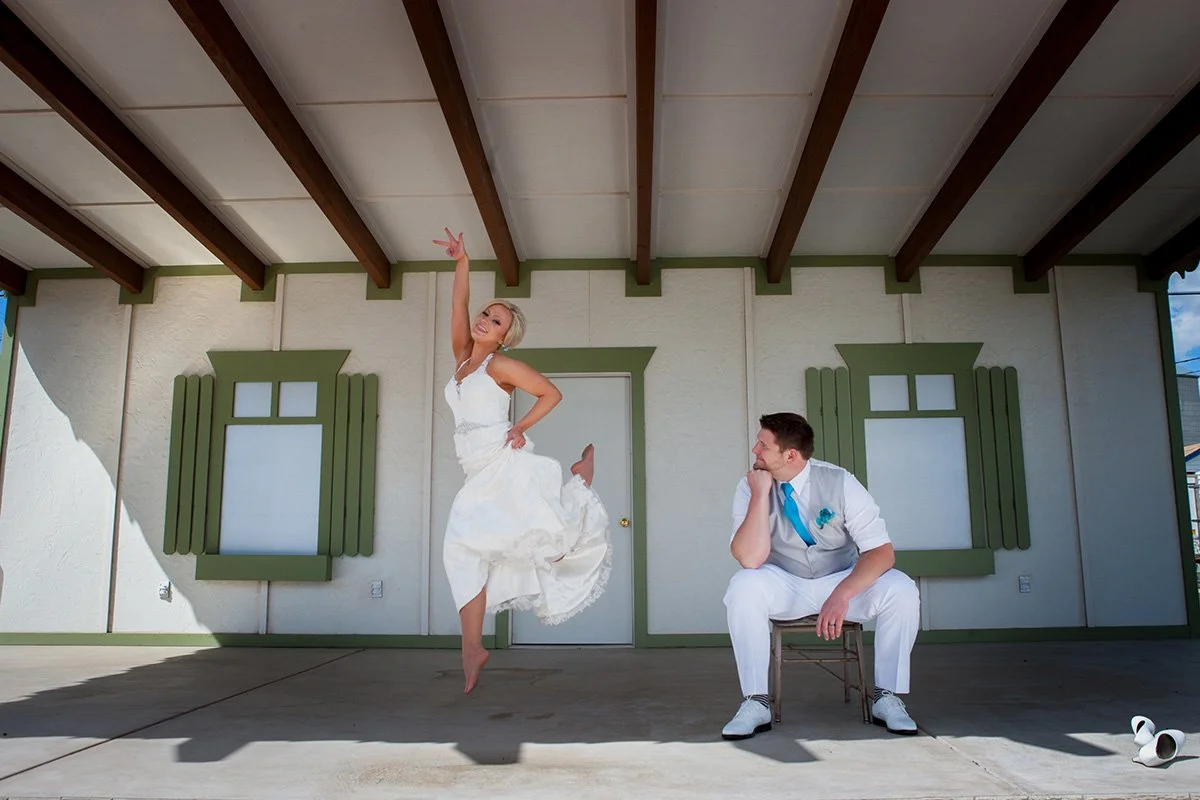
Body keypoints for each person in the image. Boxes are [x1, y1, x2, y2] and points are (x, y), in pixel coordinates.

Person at [435, 229, 612, 694]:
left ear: (503, 337)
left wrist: (521, 427)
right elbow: (457, 306)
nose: (482, 320)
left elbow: (551, 392)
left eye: (494, 322)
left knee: (522, 541)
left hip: (498, 459)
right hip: (475, 468)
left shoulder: (499, 366)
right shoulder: (461, 361)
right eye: (485, 313)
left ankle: (580, 482)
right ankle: (472, 648)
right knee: (471, 552)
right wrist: (462, 261)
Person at [721, 412, 921, 740]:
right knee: (743, 586)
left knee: (900, 588)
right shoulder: (750, 485)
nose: (755, 450)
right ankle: (756, 701)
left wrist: (842, 594)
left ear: (790, 455)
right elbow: (749, 558)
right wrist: (760, 495)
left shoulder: (841, 482)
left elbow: (881, 552)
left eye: (763, 444)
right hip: (785, 582)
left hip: (840, 579)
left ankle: (888, 697)